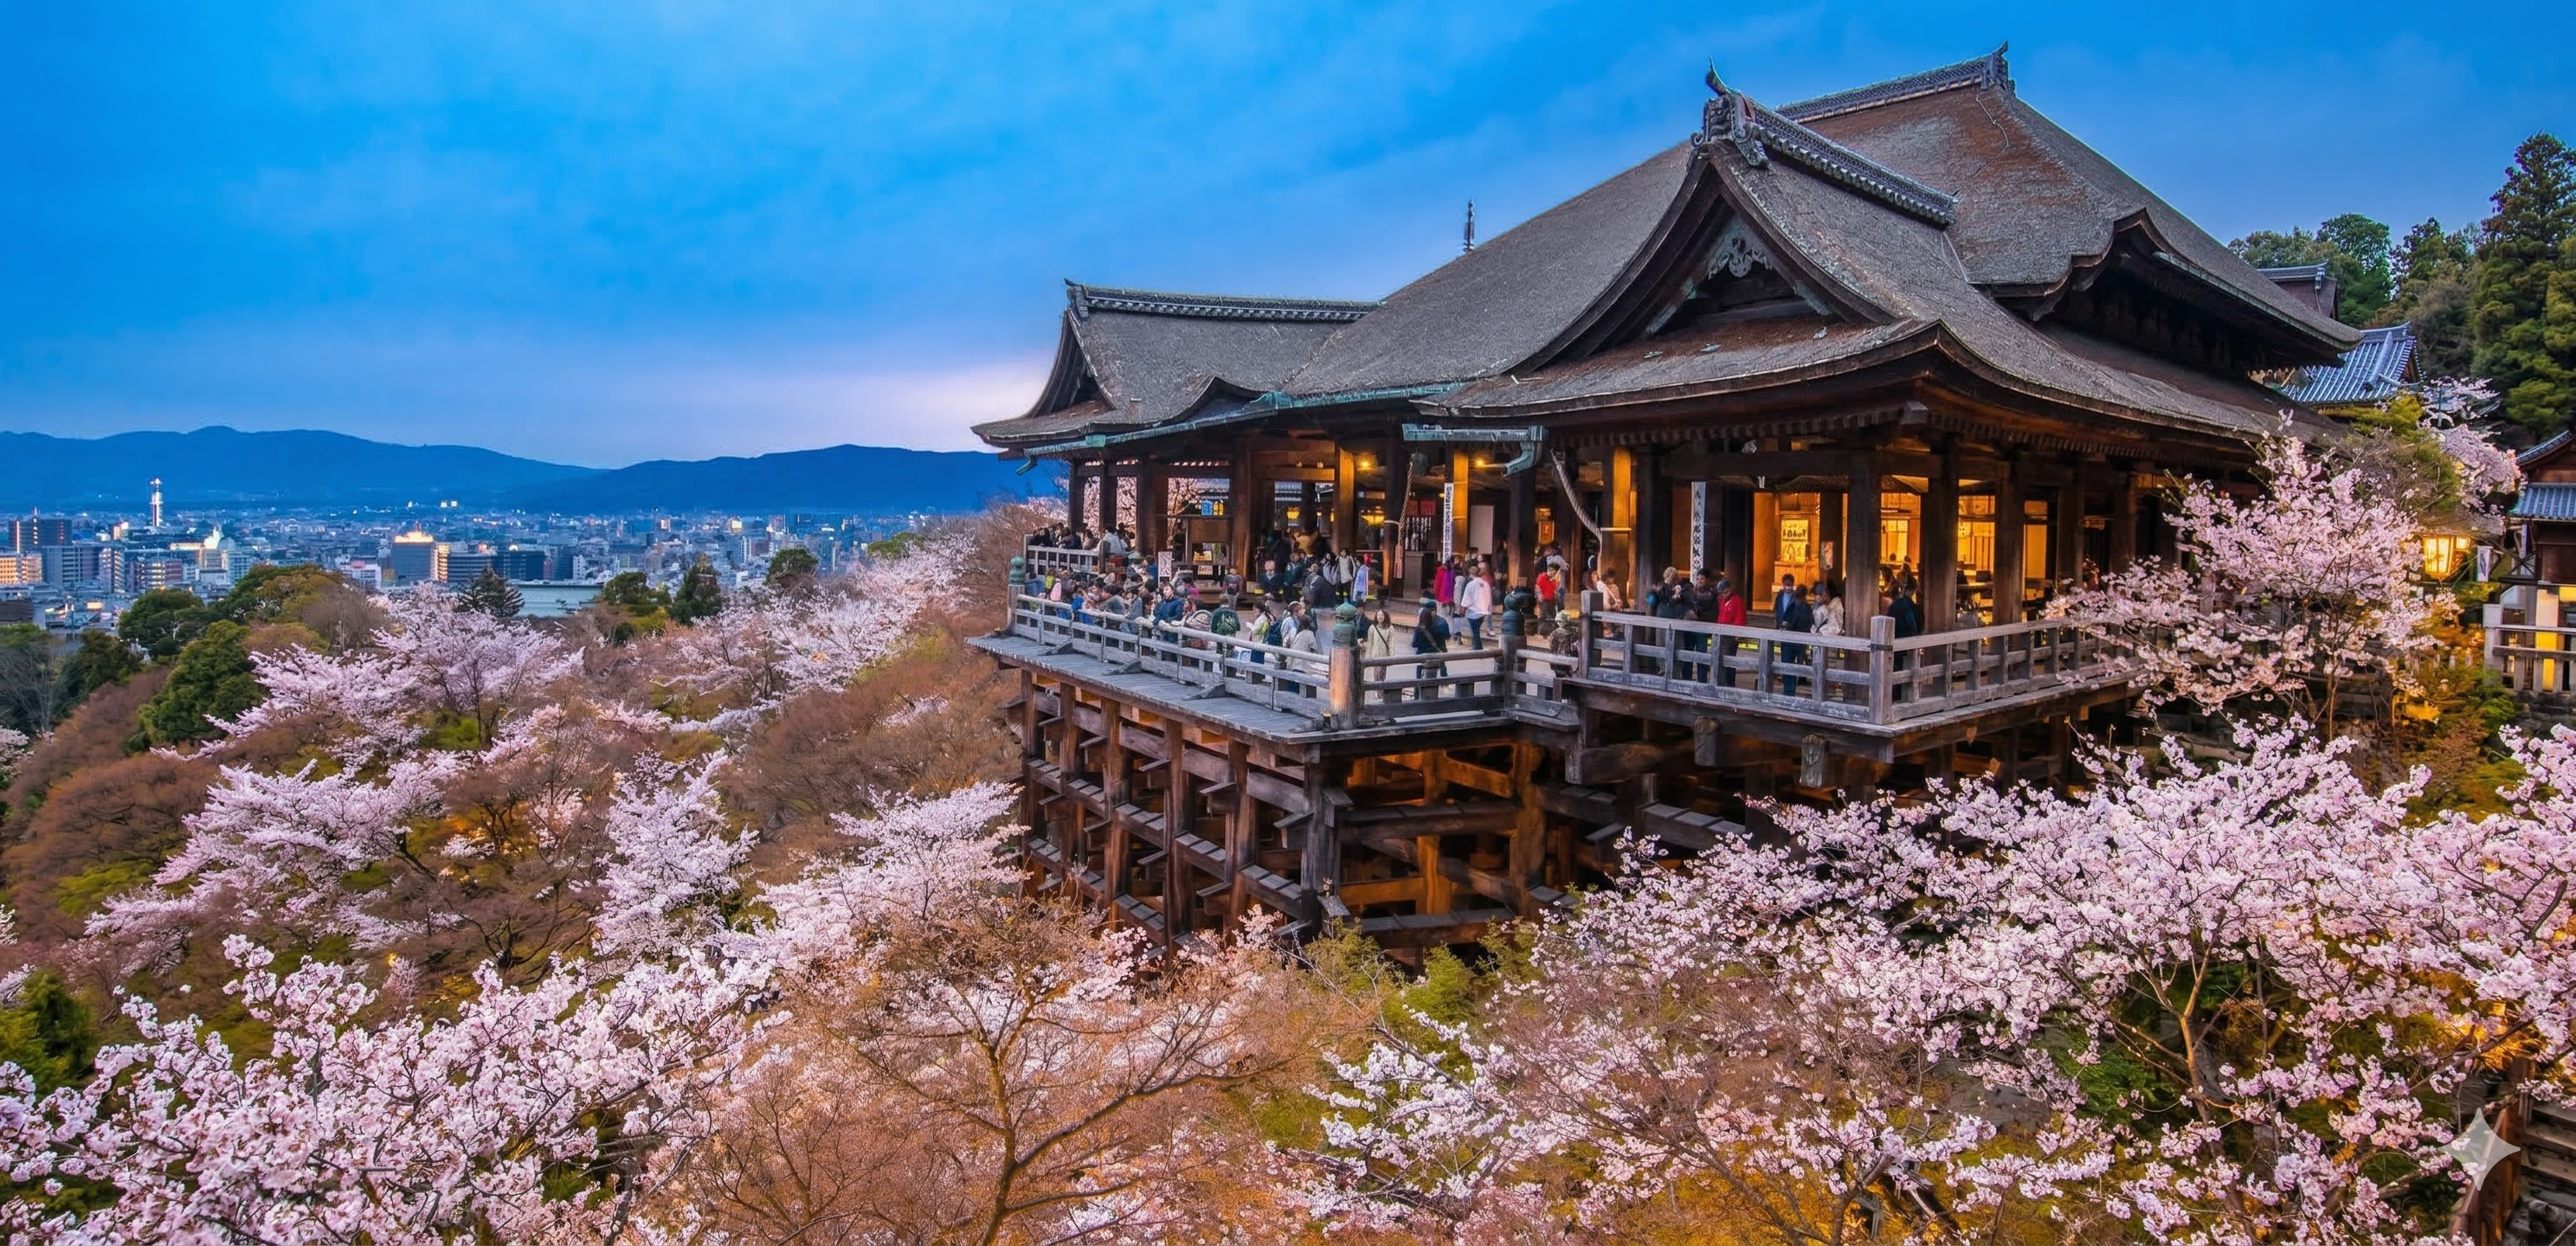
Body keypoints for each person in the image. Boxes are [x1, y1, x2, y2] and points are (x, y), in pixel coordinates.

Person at [1779, 584, 1816, 696]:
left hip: (1791, 639)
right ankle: (1791, 690)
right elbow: (1809, 623)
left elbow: (1791, 621)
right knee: (1795, 666)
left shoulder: (1795, 605)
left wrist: (1786, 625)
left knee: (1788, 666)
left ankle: (1789, 692)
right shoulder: (1806, 607)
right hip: (1800, 639)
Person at [1411, 595, 1451, 697]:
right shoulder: (1441, 623)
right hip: (1438, 652)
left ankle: (1417, 695)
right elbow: (1447, 636)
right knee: (1437, 673)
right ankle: (1438, 690)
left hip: (1422, 653)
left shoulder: (1420, 627)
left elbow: (1414, 644)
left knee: (1419, 676)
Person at [1458, 562, 1494, 647]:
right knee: (1475, 630)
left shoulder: (1471, 584)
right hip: (1483, 610)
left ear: (1471, 574)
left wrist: (1462, 608)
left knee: (1475, 631)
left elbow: (1466, 599)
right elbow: (1489, 598)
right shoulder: (1486, 584)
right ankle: (1476, 646)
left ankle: (1477, 647)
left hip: (1473, 611)